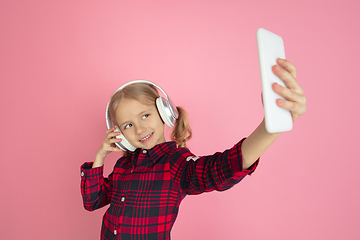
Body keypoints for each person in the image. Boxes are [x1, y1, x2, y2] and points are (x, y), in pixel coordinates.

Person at [80, 58, 306, 240]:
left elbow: (219, 169)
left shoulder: (176, 163)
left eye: (145, 115)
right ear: (119, 133)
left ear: (164, 112)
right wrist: (100, 157)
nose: (139, 129)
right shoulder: (123, 165)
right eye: (128, 125)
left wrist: (270, 128)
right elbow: (93, 202)